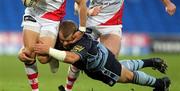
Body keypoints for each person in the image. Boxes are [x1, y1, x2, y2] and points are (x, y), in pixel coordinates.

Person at [65, 0, 177, 91]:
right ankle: (68, 89)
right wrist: (90, 11)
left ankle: (155, 75)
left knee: (108, 66)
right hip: (90, 25)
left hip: (111, 27)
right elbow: (78, 5)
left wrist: (168, 3)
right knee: (78, 59)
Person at [33, 20, 170, 91]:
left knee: (128, 76)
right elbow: (73, 64)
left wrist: (49, 50)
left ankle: (160, 84)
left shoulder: (83, 42)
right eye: (62, 40)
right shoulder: (66, 38)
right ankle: (151, 62)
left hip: (103, 66)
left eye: (68, 40)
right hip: (98, 58)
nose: (64, 43)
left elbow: (72, 58)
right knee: (123, 68)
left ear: (75, 34)